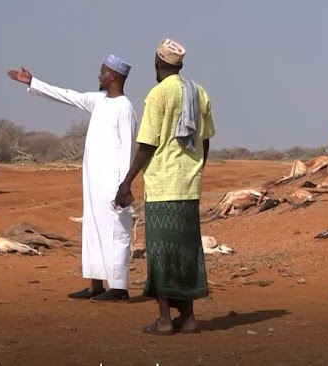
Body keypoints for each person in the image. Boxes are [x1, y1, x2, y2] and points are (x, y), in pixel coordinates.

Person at [7, 55, 138, 302]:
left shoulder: (125, 107)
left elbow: (129, 149)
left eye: (102, 72)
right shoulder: (98, 100)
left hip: (114, 184)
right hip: (93, 182)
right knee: (93, 230)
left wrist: (125, 185)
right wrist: (33, 82)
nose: (98, 76)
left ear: (114, 77)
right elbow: (67, 95)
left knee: (116, 233)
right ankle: (96, 284)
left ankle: (119, 288)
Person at [114, 38, 215, 336]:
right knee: (186, 252)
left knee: (161, 254)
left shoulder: (157, 95)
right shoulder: (199, 93)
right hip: (188, 185)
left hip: (162, 187)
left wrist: (127, 181)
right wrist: (197, 168)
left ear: (158, 63)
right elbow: (206, 140)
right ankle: (189, 317)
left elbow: (147, 143)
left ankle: (164, 319)